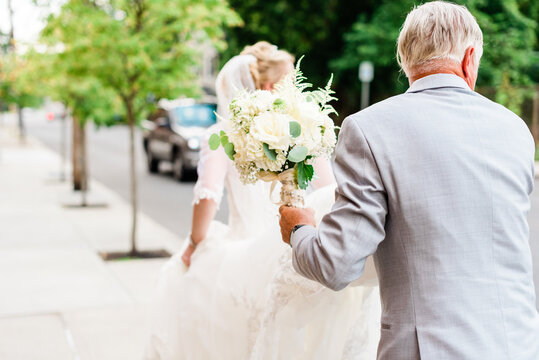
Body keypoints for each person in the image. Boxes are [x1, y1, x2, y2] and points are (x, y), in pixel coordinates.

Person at [279, 2, 539, 359]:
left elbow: (336, 265)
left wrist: (299, 229)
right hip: (519, 343)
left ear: (405, 61)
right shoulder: (516, 130)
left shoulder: (369, 129)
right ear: (470, 58)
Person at [145, 41, 381, 360]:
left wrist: (193, 245)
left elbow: (207, 197)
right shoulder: (305, 130)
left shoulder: (225, 134)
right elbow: (330, 193)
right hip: (294, 249)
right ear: (271, 86)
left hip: (243, 256)